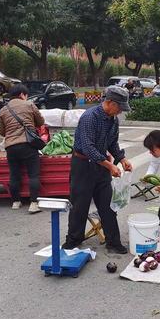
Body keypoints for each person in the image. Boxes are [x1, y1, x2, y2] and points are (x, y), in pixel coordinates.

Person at [62, 86, 133, 253]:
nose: (120, 112)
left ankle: (113, 241)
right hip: (83, 165)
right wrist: (110, 165)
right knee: (79, 205)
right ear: (109, 103)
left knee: (107, 205)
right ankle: (73, 240)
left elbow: (112, 143)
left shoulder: (113, 120)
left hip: (101, 165)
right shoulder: (90, 117)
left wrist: (122, 159)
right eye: (120, 108)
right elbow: (88, 148)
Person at [0, 83, 45, 214]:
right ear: (22, 95)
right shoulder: (29, 104)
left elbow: (2, 132)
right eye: (26, 95)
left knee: (14, 175)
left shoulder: (3, 109)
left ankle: (15, 202)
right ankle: (33, 203)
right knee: (33, 174)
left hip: (11, 147)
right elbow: (41, 122)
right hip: (28, 145)